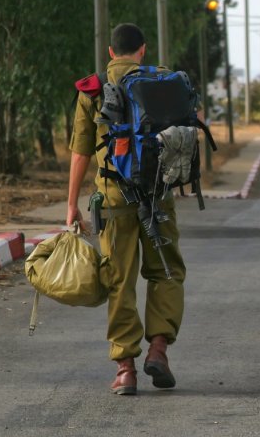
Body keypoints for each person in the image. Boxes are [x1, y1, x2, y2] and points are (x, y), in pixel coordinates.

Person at [67, 23, 187, 396]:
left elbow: (81, 151)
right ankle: (159, 349)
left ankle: (125, 369)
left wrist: (72, 204)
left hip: (115, 199)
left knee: (119, 279)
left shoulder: (93, 89)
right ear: (142, 51)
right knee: (167, 273)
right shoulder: (165, 81)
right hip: (158, 194)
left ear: (110, 53)